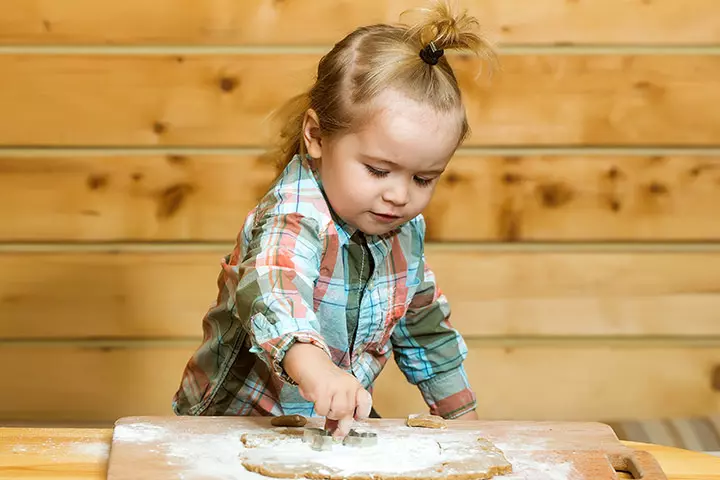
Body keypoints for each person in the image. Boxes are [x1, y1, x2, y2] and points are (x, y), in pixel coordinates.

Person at [173, 0, 497, 438]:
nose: (399, 195)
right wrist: (319, 370)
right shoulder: (293, 214)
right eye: (378, 170)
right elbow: (274, 290)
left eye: (424, 178)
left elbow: (426, 335)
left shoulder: (402, 232)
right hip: (235, 424)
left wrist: (467, 425)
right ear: (317, 136)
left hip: (328, 423)